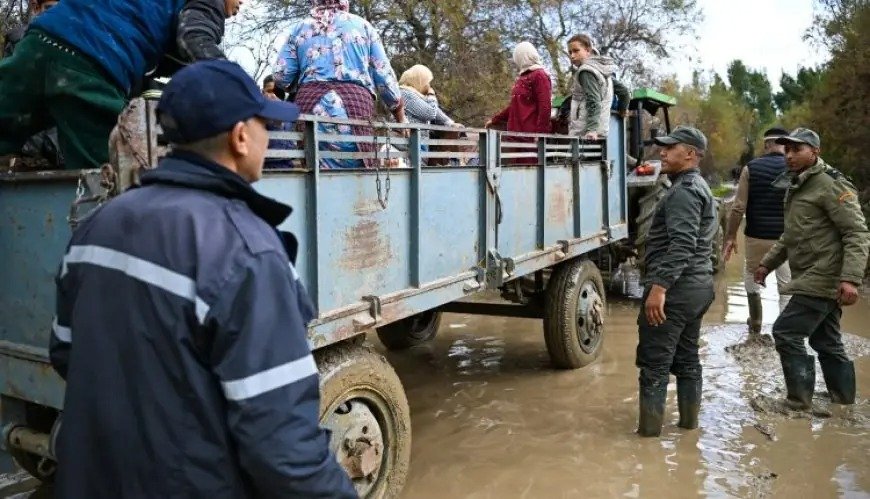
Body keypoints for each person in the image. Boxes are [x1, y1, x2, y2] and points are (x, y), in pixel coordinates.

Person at [49, 60, 356, 498]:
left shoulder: (99, 225)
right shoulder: (247, 252)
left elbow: (66, 353)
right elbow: (283, 444)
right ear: (240, 136)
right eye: (266, 123)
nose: (270, 137)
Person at [0, 0, 237, 171]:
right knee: (111, 176)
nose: (242, 4)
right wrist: (239, 90)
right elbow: (194, 38)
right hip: (89, 63)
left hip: (41, 40)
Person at [754, 128, 869, 410]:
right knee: (825, 340)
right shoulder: (799, 184)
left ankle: (798, 401)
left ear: (814, 152)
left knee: (785, 332)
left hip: (823, 275)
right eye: (787, 150)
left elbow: (856, 232)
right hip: (810, 273)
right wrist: (767, 264)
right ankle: (844, 403)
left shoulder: (831, 185)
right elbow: (791, 234)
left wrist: (851, 279)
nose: (789, 155)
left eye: (797, 150)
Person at [635, 126, 717, 437]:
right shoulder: (697, 187)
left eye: (671, 148)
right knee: (687, 359)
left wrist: (659, 288)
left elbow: (682, 244)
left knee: (654, 367)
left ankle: (648, 439)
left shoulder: (684, 191)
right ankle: (688, 429)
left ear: (691, 154)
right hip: (698, 287)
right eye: (663, 147)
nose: (662, 152)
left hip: (677, 289)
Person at [274, 0, 406, 169]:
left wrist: (299, 82)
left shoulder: (300, 29)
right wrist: (399, 115)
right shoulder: (363, 26)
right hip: (355, 108)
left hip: (310, 109)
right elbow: (384, 78)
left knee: (313, 173)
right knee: (355, 172)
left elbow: (280, 75)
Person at [723, 126, 792, 335]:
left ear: (766, 145)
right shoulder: (794, 168)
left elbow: (738, 207)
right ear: (787, 145)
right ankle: (784, 331)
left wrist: (730, 236)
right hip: (787, 238)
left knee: (751, 279)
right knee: (786, 286)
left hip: (756, 237)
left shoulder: (750, 168)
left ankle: (755, 323)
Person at [485, 42, 552, 164]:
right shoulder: (522, 78)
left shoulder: (540, 75)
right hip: (516, 136)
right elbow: (514, 106)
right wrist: (495, 120)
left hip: (530, 137)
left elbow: (545, 107)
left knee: (528, 175)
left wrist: (541, 134)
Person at [565, 34, 629, 140]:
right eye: (570, 52)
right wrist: (623, 109)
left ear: (588, 50)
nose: (572, 56)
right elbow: (624, 91)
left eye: (576, 51)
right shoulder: (601, 71)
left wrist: (591, 130)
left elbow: (593, 101)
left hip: (584, 133)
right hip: (600, 130)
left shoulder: (585, 71)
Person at [398, 64, 461, 158]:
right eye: (426, 82)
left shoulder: (414, 93)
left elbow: (435, 111)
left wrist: (450, 123)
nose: (428, 85)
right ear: (419, 80)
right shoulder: (405, 94)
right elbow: (430, 113)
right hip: (409, 144)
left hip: (418, 143)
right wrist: (431, 95)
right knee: (416, 171)